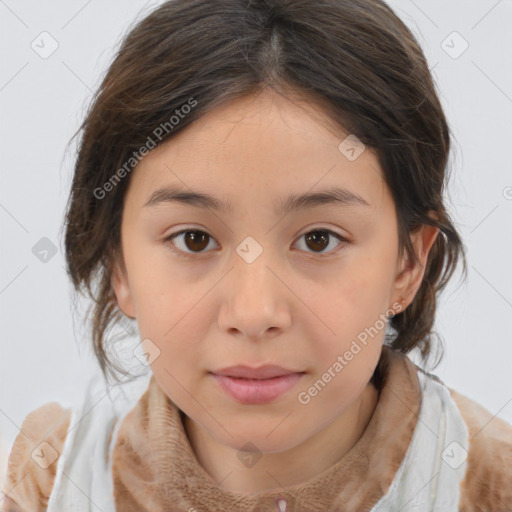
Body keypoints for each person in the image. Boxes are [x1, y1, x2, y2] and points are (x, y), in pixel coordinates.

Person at [3, 0, 512, 510]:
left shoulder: (491, 484)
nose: (254, 314)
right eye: (194, 239)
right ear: (119, 264)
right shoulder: (52, 478)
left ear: (407, 265)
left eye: (319, 239)